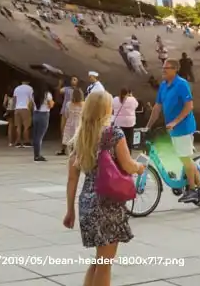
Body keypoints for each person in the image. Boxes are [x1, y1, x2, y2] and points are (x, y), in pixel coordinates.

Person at [63, 91, 145, 286]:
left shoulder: (80, 136)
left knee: (99, 260)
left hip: (88, 204)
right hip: (108, 203)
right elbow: (127, 165)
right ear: (107, 109)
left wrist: (70, 211)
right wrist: (140, 167)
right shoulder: (113, 134)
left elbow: (72, 179)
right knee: (105, 263)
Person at [146, 59, 200, 203]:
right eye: (163, 67)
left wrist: (175, 122)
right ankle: (198, 186)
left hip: (183, 127)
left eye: (167, 68)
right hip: (172, 129)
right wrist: (147, 126)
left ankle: (194, 189)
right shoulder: (164, 86)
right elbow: (157, 107)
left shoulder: (182, 84)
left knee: (184, 157)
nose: (163, 70)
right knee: (183, 158)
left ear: (175, 69)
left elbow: (189, 106)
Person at [32, 86, 54, 161]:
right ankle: (37, 156)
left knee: (35, 135)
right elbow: (50, 105)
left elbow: (30, 104)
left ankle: (36, 154)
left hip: (35, 114)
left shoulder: (33, 94)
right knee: (40, 136)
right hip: (44, 114)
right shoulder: (47, 94)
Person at [12, 80, 34, 147]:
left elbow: (14, 99)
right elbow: (31, 100)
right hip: (25, 108)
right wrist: (31, 110)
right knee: (26, 126)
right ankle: (26, 141)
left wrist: (15, 108)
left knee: (18, 126)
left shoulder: (17, 88)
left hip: (17, 109)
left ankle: (18, 142)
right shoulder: (30, 88)